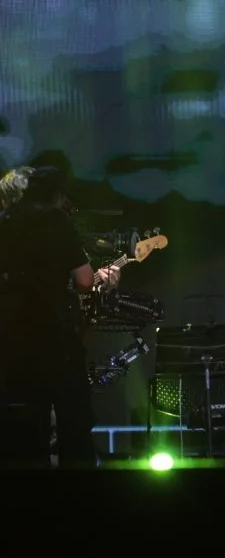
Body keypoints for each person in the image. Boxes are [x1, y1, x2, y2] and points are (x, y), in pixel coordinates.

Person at [0, 166, 120, 468]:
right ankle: (76, 489)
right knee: (74, 419)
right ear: (56, 194)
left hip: (12, 340)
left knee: (25, 425)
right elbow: (84, 281)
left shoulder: (6, 220)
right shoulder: (54, 220)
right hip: (53, 337)